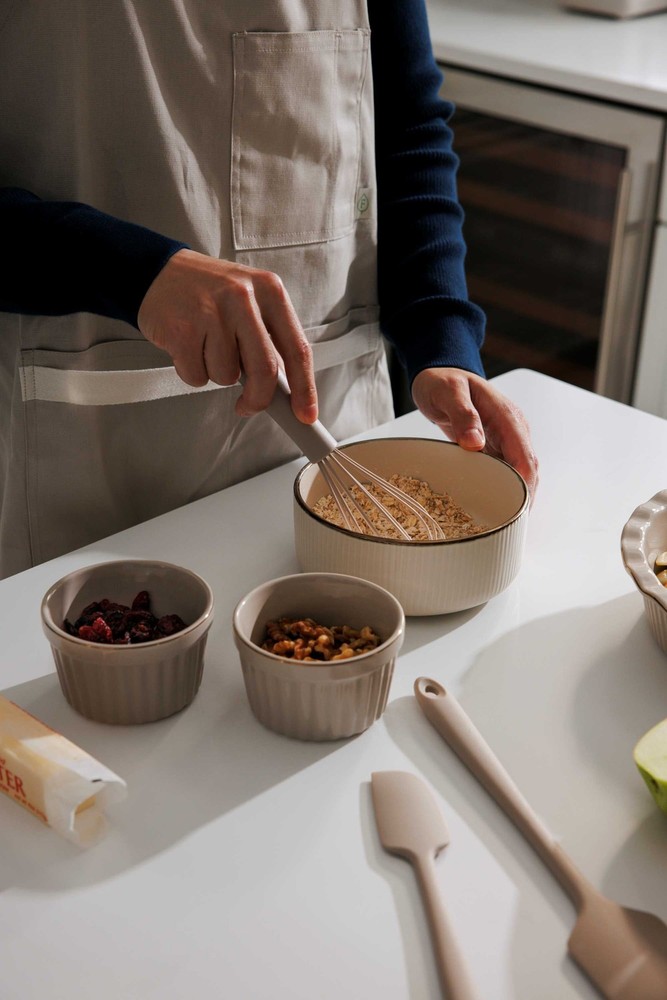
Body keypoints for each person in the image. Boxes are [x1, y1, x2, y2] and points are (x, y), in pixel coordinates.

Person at [0, 0, 538, 579]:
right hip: (84, 462)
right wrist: (132, 272)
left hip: (339, 415)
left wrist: (442, 337)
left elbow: (405, 126)